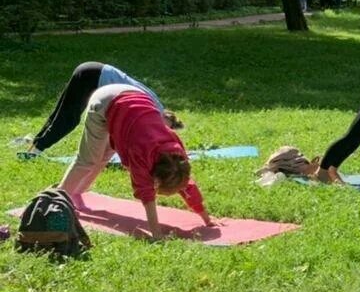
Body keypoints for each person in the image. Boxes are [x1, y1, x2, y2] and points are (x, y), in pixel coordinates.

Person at [57, 84, 214, 241]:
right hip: (106, 100)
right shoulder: (141, 152)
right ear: (156, 180)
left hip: (133, 99)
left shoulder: (177, 158)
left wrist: (207, 219)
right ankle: (55, 202)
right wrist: (156, 234)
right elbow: (146, 195)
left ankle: (76, 193)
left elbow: (186, 184)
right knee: (88, 161)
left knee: (103, 157)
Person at [14, 62, 181, 158]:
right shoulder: (152, 108)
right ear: (167, 117)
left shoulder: (154, 105)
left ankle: (36, 144)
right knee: (69, 118)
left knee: (62, 112)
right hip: (93, 76)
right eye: (165, 126)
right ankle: (37, 150)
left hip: (91, 70)